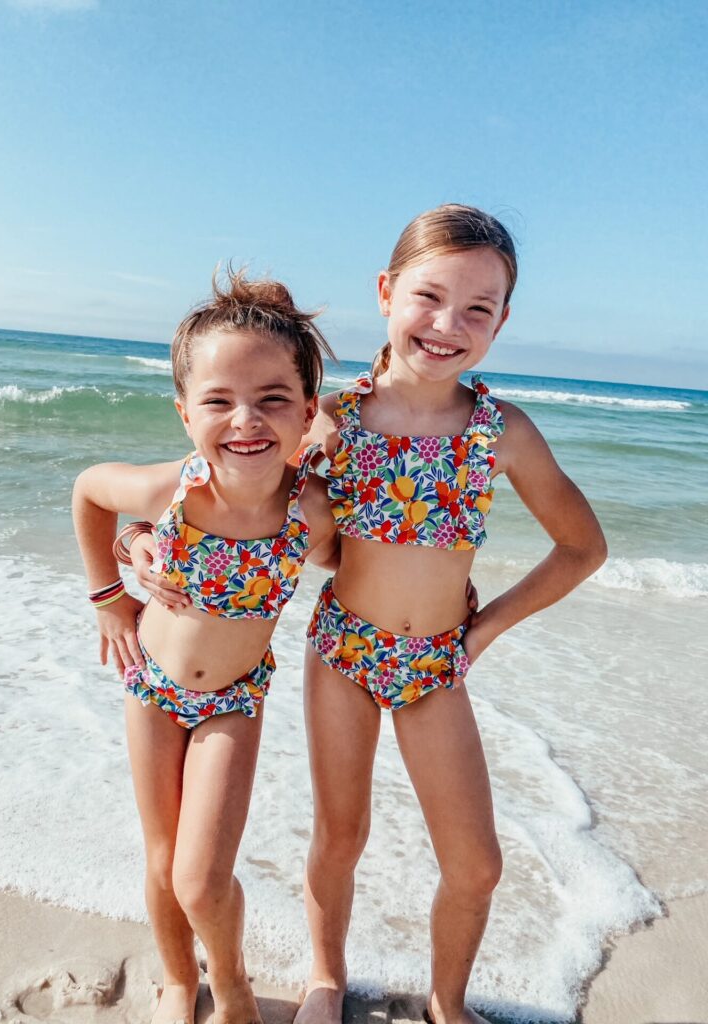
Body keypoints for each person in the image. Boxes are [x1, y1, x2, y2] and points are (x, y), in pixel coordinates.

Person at [293, 204, 608, 1024]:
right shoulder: (330, 418)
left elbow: (582, 548)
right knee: (340, 834)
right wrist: (138, 544)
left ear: (502, 321)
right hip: (343, 652)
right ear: (387, 291)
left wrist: (485, 628)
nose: (448, 324)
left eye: (478, 308)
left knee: (475, 867)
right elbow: (228, 485)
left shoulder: (500, 432)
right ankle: (325, 979)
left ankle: (446, 1002)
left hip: (437, 662)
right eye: (429, 297)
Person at [72, 269, 338, 1024]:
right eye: (218, 401)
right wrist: (111, 596)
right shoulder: (169, 494)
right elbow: (90, 489)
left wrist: (441, 594)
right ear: (186, 413)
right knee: (162, 861)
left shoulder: (310, 511)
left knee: (200, 875)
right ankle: (179, 982)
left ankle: (237, 989)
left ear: (307, 411)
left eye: (273, 400)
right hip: (151, 686)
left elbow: (358, 569)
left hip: (233, 699)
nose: (245, 419)